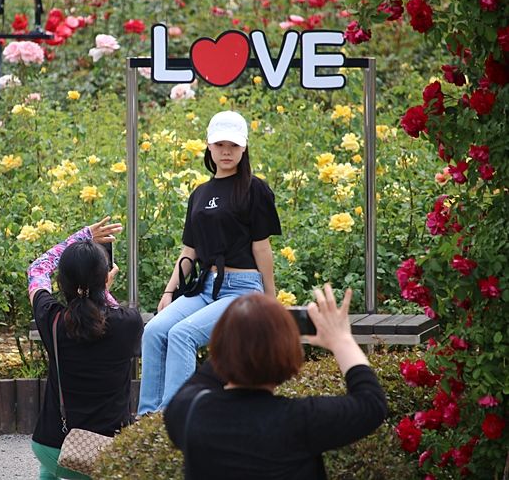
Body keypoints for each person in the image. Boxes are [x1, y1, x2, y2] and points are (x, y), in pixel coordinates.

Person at [163, 284, 388, 480]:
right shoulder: (299, 421)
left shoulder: (189, 413)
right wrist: (341, 340)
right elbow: (370, 403)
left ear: (221, 345)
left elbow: (206, 376)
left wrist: (241, 334)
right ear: (288, 352)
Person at [138, 110, 282, 414]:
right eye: (219, 145)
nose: (226, 151)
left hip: (243, 290)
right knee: (154, 331)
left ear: (244, 148)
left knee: (182, 334)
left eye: (233, 145)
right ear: (209, 146)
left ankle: (171, 419)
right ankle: (146, 420)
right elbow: (189, 250)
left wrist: (270, 300)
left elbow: (262, 248)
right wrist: (168, 293)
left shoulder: (255, 189)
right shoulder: (200, 193)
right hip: (203, 289)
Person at [27, 217, 143, 480]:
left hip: (51, 447)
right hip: (106, 455)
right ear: (105, 278)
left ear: (62, 282)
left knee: (50, 468)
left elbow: (37, 269)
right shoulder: (129, 322)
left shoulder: (52, 319)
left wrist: (84, 234)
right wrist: (102, 293)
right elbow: (105, 312)